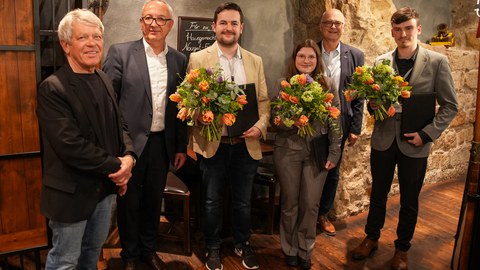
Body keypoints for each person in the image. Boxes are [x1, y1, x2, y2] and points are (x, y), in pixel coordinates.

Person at [351, 7, 458, 270]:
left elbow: (450, 106)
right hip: (384, 139)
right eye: (397, 30)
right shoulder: (381, 62)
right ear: (392, 32)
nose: (403, 34)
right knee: (378, 193)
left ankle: (402, 249)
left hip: (416, 141)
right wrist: (373, 106)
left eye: (408, 28)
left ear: (418, 29)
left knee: (410, 198)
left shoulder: (436, 62)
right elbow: (373, 100)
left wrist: (427, 135)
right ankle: (371, 237)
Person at [36, 9, 136, 269]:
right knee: (65, 261)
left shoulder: (102, 77)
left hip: (103, 190)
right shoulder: (53, 88)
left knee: (91, 254)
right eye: (83, 38)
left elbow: (120, 125)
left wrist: (129, 157)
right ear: (66, 45)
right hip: (71, 194)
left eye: (97, 37)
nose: (92, 44)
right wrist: (118, 168)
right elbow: (71, 146)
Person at [103, 1, 187, 269]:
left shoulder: (179, 59)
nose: (154, 24)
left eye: (160, 19)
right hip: (129, 145)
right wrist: (118, 146)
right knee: (128, 201)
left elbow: (183, 107)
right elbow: (109, 103)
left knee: (153, 200)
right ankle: (129, 255)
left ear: (170, 26)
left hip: (162, 143)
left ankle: (148, 251)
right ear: (140, 22)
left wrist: (180, 146)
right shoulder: (120, 53)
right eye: (148, 18)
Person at [187, 2, 270, 270]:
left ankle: (242, 243)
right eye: (223, 23)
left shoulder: (255, 61)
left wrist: (260, 127)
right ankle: (212, 248)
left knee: (244, 201)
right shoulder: (198, 59)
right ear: (214, 27)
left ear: (241, 28)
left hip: (246, 143)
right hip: (214, 145)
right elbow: (189, 103)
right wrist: (198, 115)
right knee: (211, 201)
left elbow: (264, 102)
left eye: (234, 23)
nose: (228, 28)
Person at [272, 39, 342, 270]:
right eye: (301, 56)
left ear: (317, 60)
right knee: (290, 203)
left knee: (310, 204)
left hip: (317, 153)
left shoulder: (328, 84)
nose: (306, 61)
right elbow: (276, 122)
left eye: (311, 57)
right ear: (295, 59)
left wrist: (334, 151)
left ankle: (305, 249)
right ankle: (289, 248)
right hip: (288, 152)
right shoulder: (283, 85)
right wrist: (295, 119)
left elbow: (335, 120)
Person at [316, 8, 365, 236]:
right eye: (329, 23)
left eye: (338, 23)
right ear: (321, 26)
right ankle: (308, 211)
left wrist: (355, 128)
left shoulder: (355, 55)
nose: (333, 27)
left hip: (340, 122)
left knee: (333, 170)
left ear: (344, 27)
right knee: (311, 167)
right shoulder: (310, 51)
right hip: (311, 122)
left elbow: (359, 94)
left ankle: (323, 214)